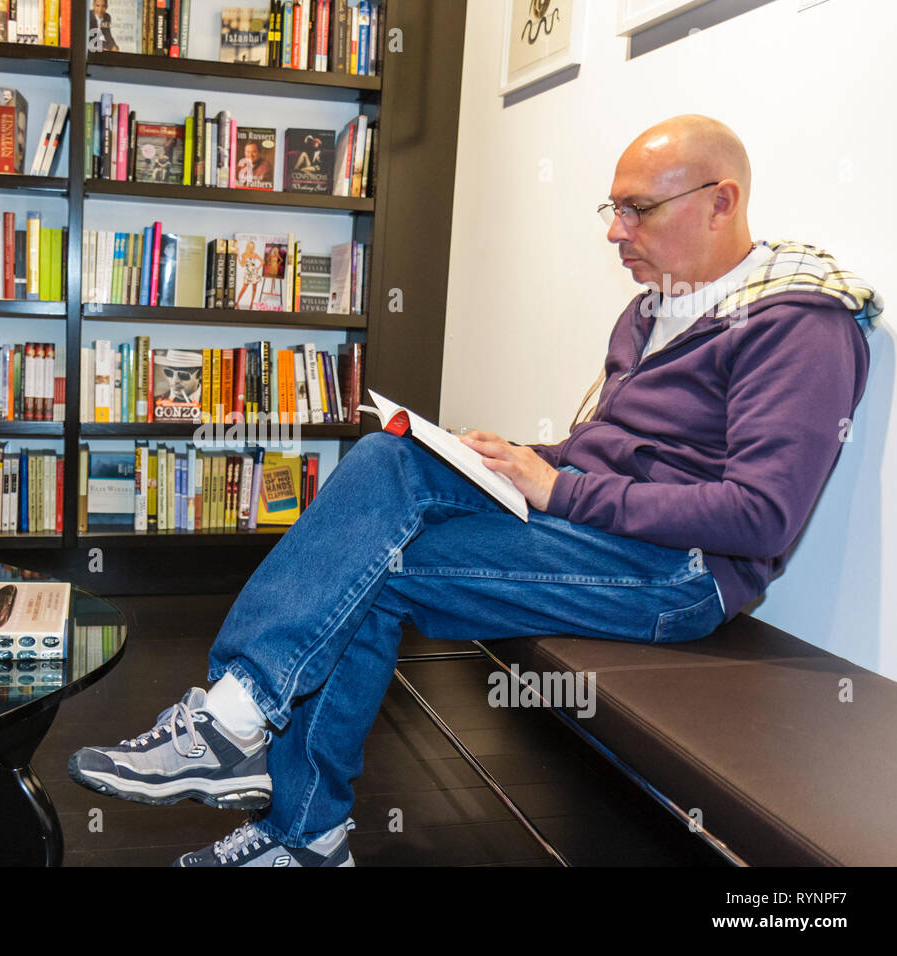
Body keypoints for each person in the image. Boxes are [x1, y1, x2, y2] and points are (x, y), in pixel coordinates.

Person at [67, 115, 882, 867]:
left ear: (721, 202)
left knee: (366, 563)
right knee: (389, 476)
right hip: (601, 539)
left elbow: (761, 516)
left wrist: (557, 488)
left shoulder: (799, 325)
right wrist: (518, 458)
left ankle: (246, 739)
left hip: (683, 576)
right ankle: (291, 813)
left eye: (636, 209)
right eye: (612, 208)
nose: (614, 230)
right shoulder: (650, 313)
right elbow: (612, 452)